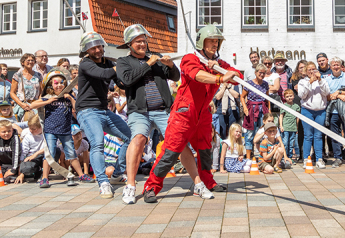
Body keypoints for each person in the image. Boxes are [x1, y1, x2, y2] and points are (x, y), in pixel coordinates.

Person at [142, 24, 241, 203]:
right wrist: (220, 77)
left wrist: (222, 69)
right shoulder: (190, 59)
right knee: (170, 151)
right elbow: (197, 75)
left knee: (205, 150)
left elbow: (236, 75)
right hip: (184, 113)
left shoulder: (218, 64)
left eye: (216, 41)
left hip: (203, 114)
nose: (214, 44)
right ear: (202, 42)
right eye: (211, 41)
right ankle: (151, 187)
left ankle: (207, 181)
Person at [114, 24, 180, 205]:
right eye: (138, 42)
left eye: (144, 41)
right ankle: (130, 184)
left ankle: (198, 182)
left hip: (162, 110)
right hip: (139, 111)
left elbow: (175, 76)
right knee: (139, 139)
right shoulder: (123, 61)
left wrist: (170, 65)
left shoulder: (156, 59)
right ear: (130, 44)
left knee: (178, 141)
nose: (143, 44)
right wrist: (149, 63)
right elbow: (127, 80)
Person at [75, 32, 133, 199]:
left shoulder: (108, 63)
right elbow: (104, 74)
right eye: (93, 47)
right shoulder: (85, 63)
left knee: (130, 137)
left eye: (99, 46)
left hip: (104, 110)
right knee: (97, 143)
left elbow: (119, 81)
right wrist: (122, 65)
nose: (98, 49)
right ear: (87, 50)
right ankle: (103, 182)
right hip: (87, 111)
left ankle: (116, 174)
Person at [27, 70, 79, 188]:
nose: (59, 85)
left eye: (62, 83)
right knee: (49, 153)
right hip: (50, 130)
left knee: (71, 152)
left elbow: (76, 109)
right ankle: (45, 178)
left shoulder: (69, 96)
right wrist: (48, 101)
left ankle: (80, 175)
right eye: (56, 83)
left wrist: (71, 99)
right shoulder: (47, 97)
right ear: (50, 85)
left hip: (65, 130)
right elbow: (32, 105)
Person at [297, 61, 330, 168]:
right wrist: (309, 83)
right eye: (309, 69)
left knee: (319, 136)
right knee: (308, 136)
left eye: (313, 69)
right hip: (307, 111)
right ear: (306, 71)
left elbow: (326, 93)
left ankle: (319, 158)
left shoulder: (323, 80)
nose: (312, 71)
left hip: (320, 111)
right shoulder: (302, 82)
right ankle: (306, 159)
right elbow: (302, 95)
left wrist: (319, 81)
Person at [242, 63, 270, 159]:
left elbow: (267, 98)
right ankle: (249, 157)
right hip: (251, 109)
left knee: (263, 131)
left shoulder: (265, 84)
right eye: (260, 72)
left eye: (263, 73)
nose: (262, 75)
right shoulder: (249, 83)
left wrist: (268, 111)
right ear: (255, 72)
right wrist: (245, 108)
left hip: (262, 109)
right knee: (250, 133)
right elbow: (242, 96)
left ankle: (262, 155)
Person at [11, 53, 42, 120]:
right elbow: (12, 93)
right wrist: (21, 104)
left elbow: (41, 92)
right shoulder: (17, 75)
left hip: (35, 105)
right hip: (22, 106)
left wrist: (38, 104)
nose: (30, 62)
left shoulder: (38, 75)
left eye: (32, 60)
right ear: (22, 63)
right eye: (28, 60)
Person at [16, 115, 46, 184]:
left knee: (56, 151)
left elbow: (50, 147)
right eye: (29, 128)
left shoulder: (47, 134)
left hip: (44, 155)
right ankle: (37, 170)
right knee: (26, 168)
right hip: (32, 158)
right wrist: (20, 173)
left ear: (41, 127)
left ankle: (44, 173)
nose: (30, 130)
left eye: (33, 129)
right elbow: (23, 153)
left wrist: (36, 154)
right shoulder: (28, 136)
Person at [279, 89, 301, 161]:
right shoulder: (284, 106)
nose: (289, 98)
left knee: (292, 143)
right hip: (285, 127)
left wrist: (297, 127)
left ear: (293, 96)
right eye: (287, 96)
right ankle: (285, 156)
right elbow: (281, 116)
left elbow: (297, 118)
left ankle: (290, 157)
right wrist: (281, 126)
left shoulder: (296, 106)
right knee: (285, 143)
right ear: (284, 98)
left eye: (290, 96)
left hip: (293, 128)